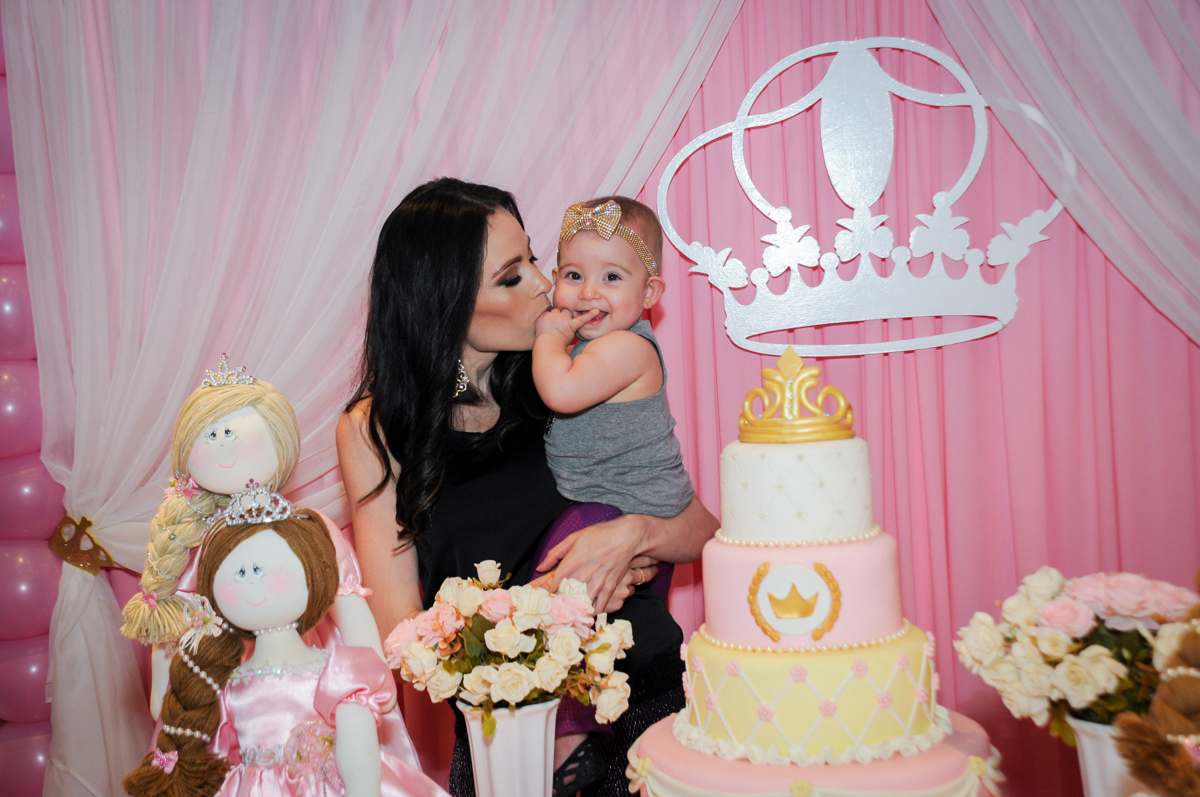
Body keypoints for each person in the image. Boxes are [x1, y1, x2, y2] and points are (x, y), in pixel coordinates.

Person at [336, 177, 718, 796]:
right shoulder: (375, 431)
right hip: (509, 744)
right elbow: (398, 634)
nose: (547, 284)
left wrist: (633, 535)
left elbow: (702, 529)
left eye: (535, 258)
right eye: (512, 276)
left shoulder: (573, 373)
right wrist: (526, 627)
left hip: (649, 717)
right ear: (447, 301)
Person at [122, 487, 447, 797]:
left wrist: (361, 787)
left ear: (312, 572)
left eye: (261, 568)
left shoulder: (339, 672)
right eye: (238, 572)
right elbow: (218, 751)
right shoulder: (225, 684)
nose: (250, 577)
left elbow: (359, 750)